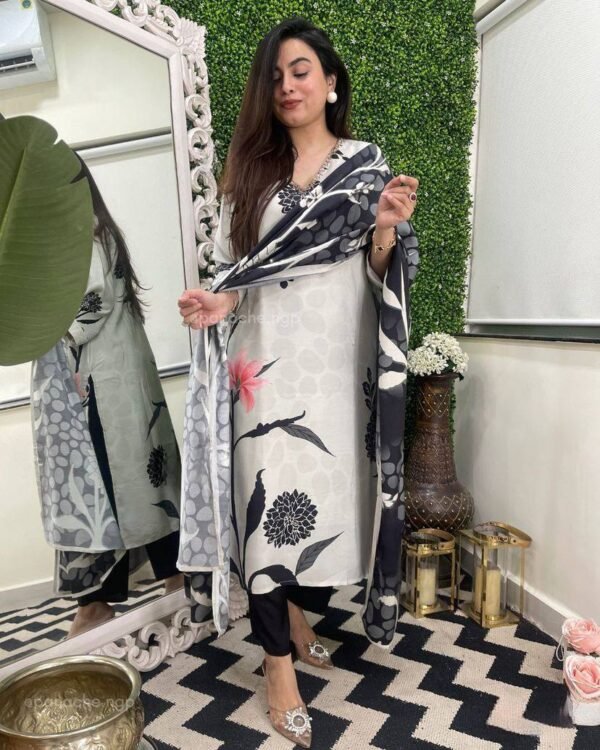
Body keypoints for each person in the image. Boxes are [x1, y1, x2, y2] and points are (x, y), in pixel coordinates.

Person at [178, 17, 420, 747]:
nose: (287, 85)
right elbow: (238, 275)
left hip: (334, 366)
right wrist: (219, 303)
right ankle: (277, 667)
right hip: (262, 367)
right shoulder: (250, 175)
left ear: (330, 81)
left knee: (319, 503)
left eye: (302, 70)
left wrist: (385, 229)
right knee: (263, 508)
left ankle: (294, 611)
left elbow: (379, 272)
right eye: (276, 75)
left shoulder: (364, 167)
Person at [31, 155, 182, 638]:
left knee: (107, 483)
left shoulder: (90, 238)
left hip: (97, 383)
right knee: (134, 482)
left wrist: (47, 335)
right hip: (104, 381)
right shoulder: (86, 236)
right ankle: (157, 582)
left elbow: (89, 308)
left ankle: (99, 602)